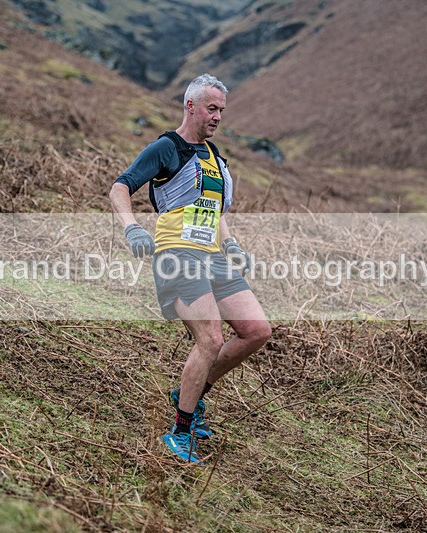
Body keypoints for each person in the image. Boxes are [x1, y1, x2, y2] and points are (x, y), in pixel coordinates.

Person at [109, 74, 272, 464]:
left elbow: (214, 212)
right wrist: (132, 228)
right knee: (210, 339)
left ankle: (192, 394)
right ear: (191, 106)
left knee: (256, 331)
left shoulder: (215, 158)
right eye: (211, 108)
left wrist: (232, 245)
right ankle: (180, 432)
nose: (217, 117)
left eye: (221, 110)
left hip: (213, 257)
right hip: (177, 254)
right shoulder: (167, 148)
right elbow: (119, 187)